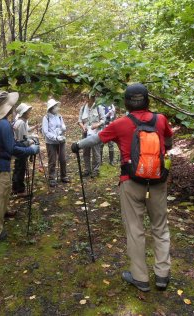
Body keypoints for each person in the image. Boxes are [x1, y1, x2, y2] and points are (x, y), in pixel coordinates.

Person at [71, 83, 173, 292]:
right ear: (147, 100)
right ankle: (162, 276)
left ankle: (140, 277)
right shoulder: (160, 120)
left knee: (135, 230)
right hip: (158, 183)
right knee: (160, 228)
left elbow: (95, 139)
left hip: (130, 181)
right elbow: (169, 142)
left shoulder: (120, 124)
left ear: (126, 102)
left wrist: (77, 145)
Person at [0, 91, 39, 244]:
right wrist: (30, 150)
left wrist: (24, 143)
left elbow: (6, 144)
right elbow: (11, 149)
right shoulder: (3, 124)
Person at [42, 98, 69, 187]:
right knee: (52, 160)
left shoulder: (59, 116)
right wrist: (55, 137)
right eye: (56, 106)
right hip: (51, 142)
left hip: (61, 141)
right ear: (51, 108)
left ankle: (63, 176)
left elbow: (62, 125)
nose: (57, 108)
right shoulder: (46, 118)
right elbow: (46, 132)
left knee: (63, 159)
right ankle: (52, 178)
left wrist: (63, 128)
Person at [12, 103, 37, 197]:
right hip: (21, 148)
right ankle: (20, 190)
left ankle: (14, 188)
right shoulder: (21, 123)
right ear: (24, 113)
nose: (29, 113)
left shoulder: (18, 121)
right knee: (21, 169)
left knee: (17, 168)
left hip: (17, 147)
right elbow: (23, 138)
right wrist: (31, 141)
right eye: (28, 112)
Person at [77, 94, 105, 177]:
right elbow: (79, 120)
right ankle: (87, 170)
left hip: (95, 134)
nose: (88, 99)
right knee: (86, 151)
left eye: (90, 98)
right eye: (87, 98)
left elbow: (103, 120)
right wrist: (82, 127)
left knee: (96, 152)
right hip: (85, 133)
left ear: (93, 98)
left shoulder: (98, 107)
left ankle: (96, 170)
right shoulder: (83, 108)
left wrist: (97, 125)